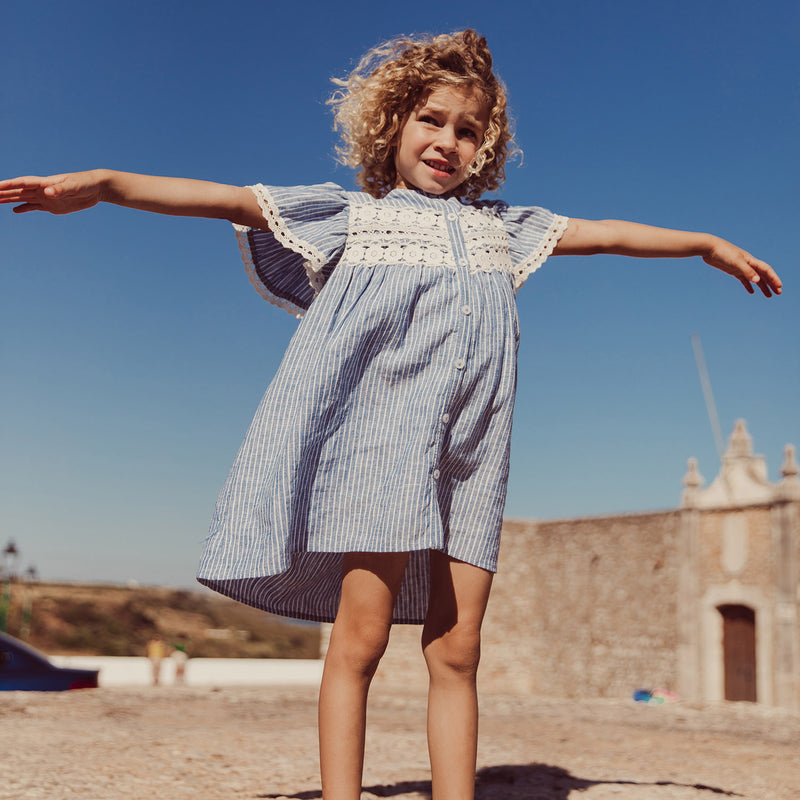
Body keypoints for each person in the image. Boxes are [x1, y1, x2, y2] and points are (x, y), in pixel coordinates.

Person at [0, 29, 781, 800]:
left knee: (459, 649)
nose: (448, 141)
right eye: (432, 120)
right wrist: (102, 182)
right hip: (378, 456)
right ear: (395, 124)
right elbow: (224, 199)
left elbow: (609, 235)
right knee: (362, 639)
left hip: (471, 462)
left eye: (468, 130)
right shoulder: (351, 217)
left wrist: (705, 244)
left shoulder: (504, 232)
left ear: (486, 147)